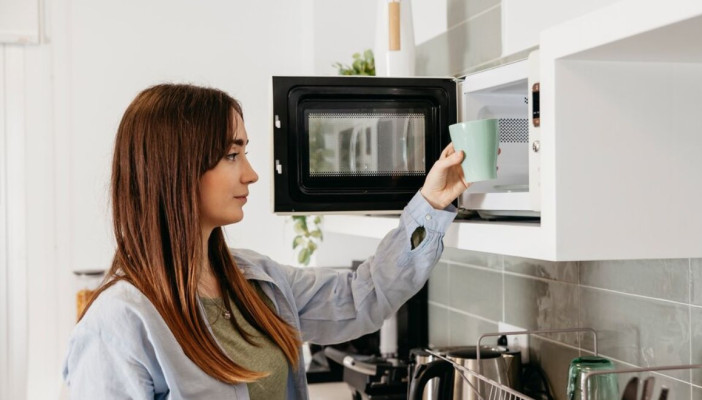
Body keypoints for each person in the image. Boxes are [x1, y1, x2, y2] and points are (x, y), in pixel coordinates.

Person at [62, 83, 469, 399]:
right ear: (178, 169)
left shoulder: (257, 281)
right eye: (232, 155)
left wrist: (430, 204)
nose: (252, 173)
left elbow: (364, 296)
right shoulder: (118, 324)